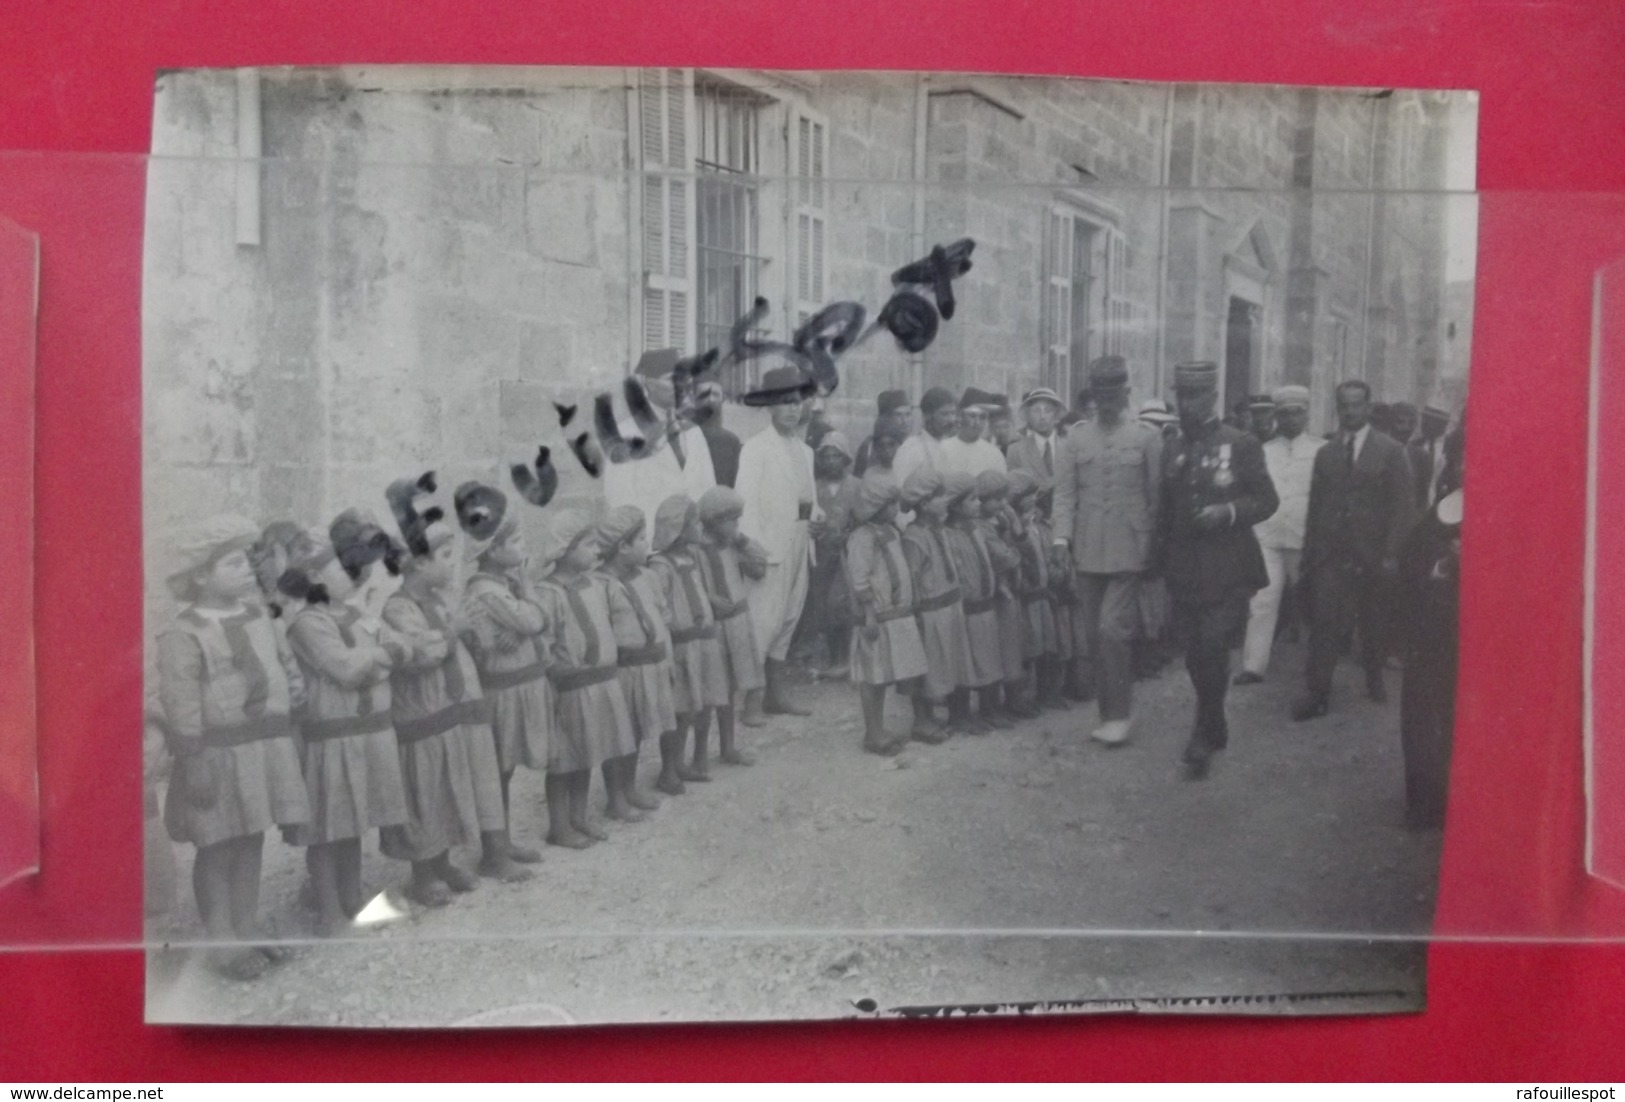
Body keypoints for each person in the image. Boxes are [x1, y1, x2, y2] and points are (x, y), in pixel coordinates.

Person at [156, 515, 310, 979]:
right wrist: (193, 757)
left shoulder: (259, 615)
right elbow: (181, 699)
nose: (246, 570)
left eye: (246, 561)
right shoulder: (184, 634)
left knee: (252, 837)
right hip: (217, 754)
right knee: (218, 844)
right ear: (201, 576)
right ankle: (222, 939)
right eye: (231, 563)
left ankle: (246, 925)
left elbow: (282, 662)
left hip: (262, 747)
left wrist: (294, 696)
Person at [281, 514, 412, 936]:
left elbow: (399, 647)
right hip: (333, 737)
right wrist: (382, 655)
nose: (354, 575)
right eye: (344, 568)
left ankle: (352, 893)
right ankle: (327, 906)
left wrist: (380, 654)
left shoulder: (354, 614)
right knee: (328, 826)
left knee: (353, 820)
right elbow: (345, 668)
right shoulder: (308, 624)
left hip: (367, 732)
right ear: (317, 576)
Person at [381, 508, 516, 906]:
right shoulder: (397, 608)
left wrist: (473, 635)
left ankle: (442, 862)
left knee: (447, 789)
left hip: (451, 713)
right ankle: (422, 874)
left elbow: (461, 642)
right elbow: (419, 653)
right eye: (444, 558)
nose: (451, 566)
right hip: (422, 717)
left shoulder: (442, 601)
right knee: (425, 793)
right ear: (418, 564)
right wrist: (453, 631)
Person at [1157, 361, 1279, 779]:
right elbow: (1165, 510)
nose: (1187, 404)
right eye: (1181, 396)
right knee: (1193, 654)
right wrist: (1156, 564)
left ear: (1212, 397)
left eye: (1195, 396)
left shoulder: (1240, 443)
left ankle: (1202, 733)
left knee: (1212, 646)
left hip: (1228, 568)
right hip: (1185, 569)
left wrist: (1227, 511)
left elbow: (1267, 500)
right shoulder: (1171, 445)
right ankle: (1216, 718)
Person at [1049, 355, 1163, 746]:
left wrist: (1153, 548)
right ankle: (1110, 712)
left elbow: (1155, 497)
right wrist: (1060, 540)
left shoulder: (1147, 438)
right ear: (1094, 395)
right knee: (1095, 637)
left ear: (1127, 393)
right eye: (1101, 393)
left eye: (1115, 393)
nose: (1108, 401)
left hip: (1130, 548)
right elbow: (1064, 495)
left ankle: (1118, 715)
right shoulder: (1075, 440)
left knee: (1112, 630)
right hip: (1087, 548)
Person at [1293, 379, 1419, 719]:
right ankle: (1317, 692)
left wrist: (1393, 554)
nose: (1350, 411)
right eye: (1344, 405)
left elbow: (1403, 507)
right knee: (1324, 621)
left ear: (1367, 407)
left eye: (1356, 405)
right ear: (1338, 409)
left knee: (1373, 620)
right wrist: (1309, 554)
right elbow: (1316, 507)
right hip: (1331, 553)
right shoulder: (1326, 452)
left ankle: (1374, 675)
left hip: (1373, 553)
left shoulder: (1390, 451)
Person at [457, 483, 550, 871]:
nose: (523, 546)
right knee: (496, 772)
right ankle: (493, 853)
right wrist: (528, 597)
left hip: (515, 688)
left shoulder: (501, 588)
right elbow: (534, 618)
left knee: (505, 772)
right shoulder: (488, 592)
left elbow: (532, 624)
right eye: (516, 540)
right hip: (501, 694)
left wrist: (524, 624)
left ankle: (503, 842)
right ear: (493, 551)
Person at [534, 508, 638, 849]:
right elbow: (544, 642)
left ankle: (579, 815)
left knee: (587, 753)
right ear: (566, 549)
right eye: (589, 545)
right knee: (564, 758)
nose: (596, 551)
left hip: (599, 682)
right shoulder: (548, 593)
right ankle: (559, 825)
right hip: (570, 686)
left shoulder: (594, 585)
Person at [736, 363, 822, 721]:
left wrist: (816, 519)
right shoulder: (755, 449)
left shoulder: (806, 451)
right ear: (770, 406)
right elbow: (746, 502)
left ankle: (777, 693)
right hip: (769, 547)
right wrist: (751, 548)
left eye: (798, 401)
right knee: (763, 621)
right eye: (785, 402)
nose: (793, 408)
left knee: (789, 618)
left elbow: (809, 498)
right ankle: (752, 700)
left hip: (801, 541)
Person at [1235, 385, 1326, 685]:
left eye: (1297, 412)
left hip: (1304, 537)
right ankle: (1253, 666)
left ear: (1306, 414)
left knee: (1311, 603)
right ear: (1277, 416)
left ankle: (1317, 667)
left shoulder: (1320, 450)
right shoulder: (1264, 451)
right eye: (1284, 414)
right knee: (1262, 600)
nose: (1291, 419)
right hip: (1269, 536)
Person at [647, 494, 730, 796]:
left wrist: (708, 603)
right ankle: (669, 770)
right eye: (692, 521)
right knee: (680, 709)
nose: (698, 526)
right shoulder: (660, 566)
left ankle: (694, 762)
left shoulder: (691, 559)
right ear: (678, 529)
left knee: (702, 704)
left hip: (703, 640)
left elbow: (692, 592)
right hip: (682, 645)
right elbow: (661, 605)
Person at [594, 506, 673, 821]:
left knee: (639, 730)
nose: (647, 543)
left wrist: (667, 659)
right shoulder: (601, 585)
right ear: (622, 546)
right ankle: (615, 797)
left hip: (649, 664)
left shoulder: (648, 576)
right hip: (622, 671)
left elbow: (662, 617)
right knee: (619, 734)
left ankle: (630, 787)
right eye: (641, 538)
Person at [846, 477, 932, 754]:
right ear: (874, 506)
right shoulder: (863, 537)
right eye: (890, 503)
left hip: (898, 615)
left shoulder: (892, 531)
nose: (896, 508)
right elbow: (860, 579)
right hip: (878, 618)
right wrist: (869, 614)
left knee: (899, 670)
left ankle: (917, 722)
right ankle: (873, 732)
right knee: (875, 677)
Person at [1397, 487, 1462, 831]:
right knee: (1424, 714)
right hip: (1433, 629)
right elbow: (1410, 557)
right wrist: (1441, 564)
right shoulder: (1443, 509)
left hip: (1479, 633)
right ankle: (1424, 802)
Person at [602, 348, 718, 531]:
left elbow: (709, 489)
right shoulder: (627, 434)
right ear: (648, 383)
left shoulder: (693, 432)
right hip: (651, 544)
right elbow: (619, 500)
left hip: (694, 543)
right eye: (670, 378)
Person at [696, 485, 769, 766]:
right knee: (708, 692)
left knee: (729, 690)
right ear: (713, 520)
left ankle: (728, 747)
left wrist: (741, 538)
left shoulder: (733, 546)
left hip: (737, 622)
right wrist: (709, 600)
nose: (736, 525)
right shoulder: (697, 550)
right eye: (732, 520)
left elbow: (759, 567)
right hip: (712, 629)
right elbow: (690, 586)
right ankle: (699, 754)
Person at [900, 469, 972, 735]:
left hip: (951, 606)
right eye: (939, 496)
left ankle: (956, 715)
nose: (945, 500)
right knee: (928, 667)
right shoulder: (914, 537)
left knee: (952, 662)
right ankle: (922, 720)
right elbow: (913, 579)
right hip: (930, 612)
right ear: (923, 503)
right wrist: (915, 614)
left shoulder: (941, 530)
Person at [941, 471, 1006, 730]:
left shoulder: (976, 528)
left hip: (984, 604)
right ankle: (960, 715)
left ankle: (989, 709)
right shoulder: (947, 534)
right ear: (956, 505)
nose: (978, 505)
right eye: (972, 501)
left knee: (987, 658)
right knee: (964, 663)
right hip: (964, 608)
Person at [977, 468, 1039, 720]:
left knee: (1012, 647)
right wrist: (1017, 544)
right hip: (993, 597)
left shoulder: (999, 522)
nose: (1004, 504)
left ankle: (1013, 699)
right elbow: (1004, 558)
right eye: (997, 499)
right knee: (995, 650)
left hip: (1008, 594)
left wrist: (1016, 533)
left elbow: (1021, 552)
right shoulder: (982, 527)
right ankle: (992, 706)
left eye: (1005, 498)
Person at [804, 431, 861, 676]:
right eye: (825, 457)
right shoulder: (813, 487)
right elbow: (805, 518)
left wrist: (850, 535)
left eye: (836, 456)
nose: (830, 462)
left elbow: (863, 519)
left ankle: (847, 658)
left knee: (843, 604)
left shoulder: (857, 486)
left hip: (848, 555)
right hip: (822, 554)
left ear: (845, 457)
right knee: (823, 605)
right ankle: (833, 656)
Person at [1010, 470, 1065, 710]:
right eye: (1027, 495)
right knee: (1027, 649)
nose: (1033, 499)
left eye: (1034, 494)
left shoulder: (1038, 525)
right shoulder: (1012, 527)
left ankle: (1047, 693)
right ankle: (1021, 698)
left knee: (1047, 645)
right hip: (1025, 598)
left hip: (1043, 594)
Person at [1006, 386, 1069, 499]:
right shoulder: (1016, 451)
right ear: (1028, 416)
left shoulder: (1070, 447)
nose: (1042, 417)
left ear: (1056, 415)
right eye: (1036, 411)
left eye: (1048, 410)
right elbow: (1012, 493)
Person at [893, 385, 959, 486]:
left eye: (953, 413)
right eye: (945, 414)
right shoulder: (911, 448)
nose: (951, 420)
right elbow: (901, 488)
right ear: (927, 415)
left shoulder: (952, 447)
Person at [942, 387, 1009, 478]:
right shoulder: (942, 449)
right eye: (972, 416)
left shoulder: (994, 454)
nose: (977, 422)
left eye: (982, 417)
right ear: (961, 416)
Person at [691, 380, 743, 489]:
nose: (710, 400)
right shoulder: (684, 437)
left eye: (715, 395)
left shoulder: (731, 441)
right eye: (704, 395)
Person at [853, 389, 914, 478]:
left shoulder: (916, 444)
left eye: (908, 415)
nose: (905, 421)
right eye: (898, 415)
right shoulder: (869, 446)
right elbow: (857, 482)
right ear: (886, 417)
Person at [1409, 405, 1453, 509]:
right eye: (1424, 419)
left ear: (1443, 425)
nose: (1424, 424)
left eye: (1430, 420)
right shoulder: (1413, 445)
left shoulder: (1451, 448)